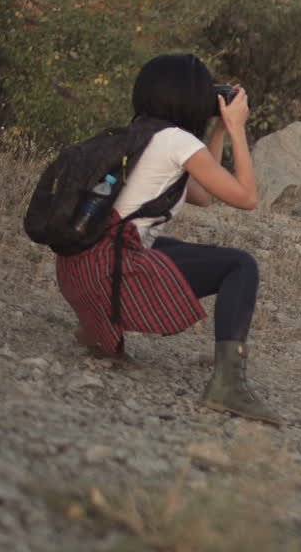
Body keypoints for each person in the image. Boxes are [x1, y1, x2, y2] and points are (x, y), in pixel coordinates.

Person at [56, 53, 280, 426]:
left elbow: (203, 196)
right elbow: (246, 198)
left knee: (166, 248)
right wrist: (239, 128)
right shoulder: (176, 141)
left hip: (82, 270)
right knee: (240, 265)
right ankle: (228, 385)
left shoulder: (144, 134)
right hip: (110, 271)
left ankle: (95, 327)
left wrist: (219, 130)